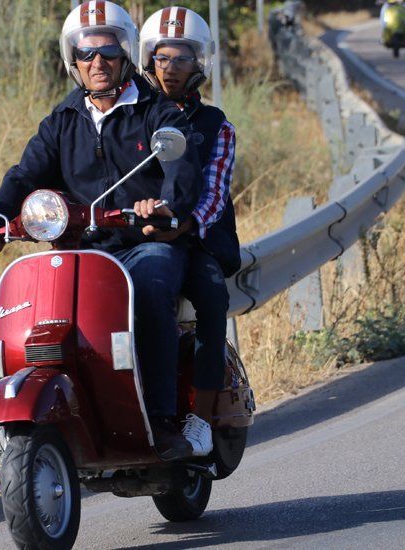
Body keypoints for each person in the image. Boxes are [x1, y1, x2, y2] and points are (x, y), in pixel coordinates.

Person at [0, 1, 205, 461]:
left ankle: (160, 419)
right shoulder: (63, 120)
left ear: (127, 54)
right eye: (86, 53)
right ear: (72, 60)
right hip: (81, 250)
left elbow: (181, 168)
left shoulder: (157, 113)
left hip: (144, 244)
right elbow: (25, 174)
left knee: (152, 290)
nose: (97, 62)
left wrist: (164, 206)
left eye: (108, 52)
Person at [139, 7, 241, 457]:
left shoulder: (216, 124)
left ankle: (200, 414)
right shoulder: (133, 115)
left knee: (212, 293)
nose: (170, 68)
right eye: (162, 58)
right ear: (146, 60)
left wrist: (182, 227)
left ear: (199, 63)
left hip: (194, 238)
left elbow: (215, 193)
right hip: (139, 237)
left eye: (181, 58)